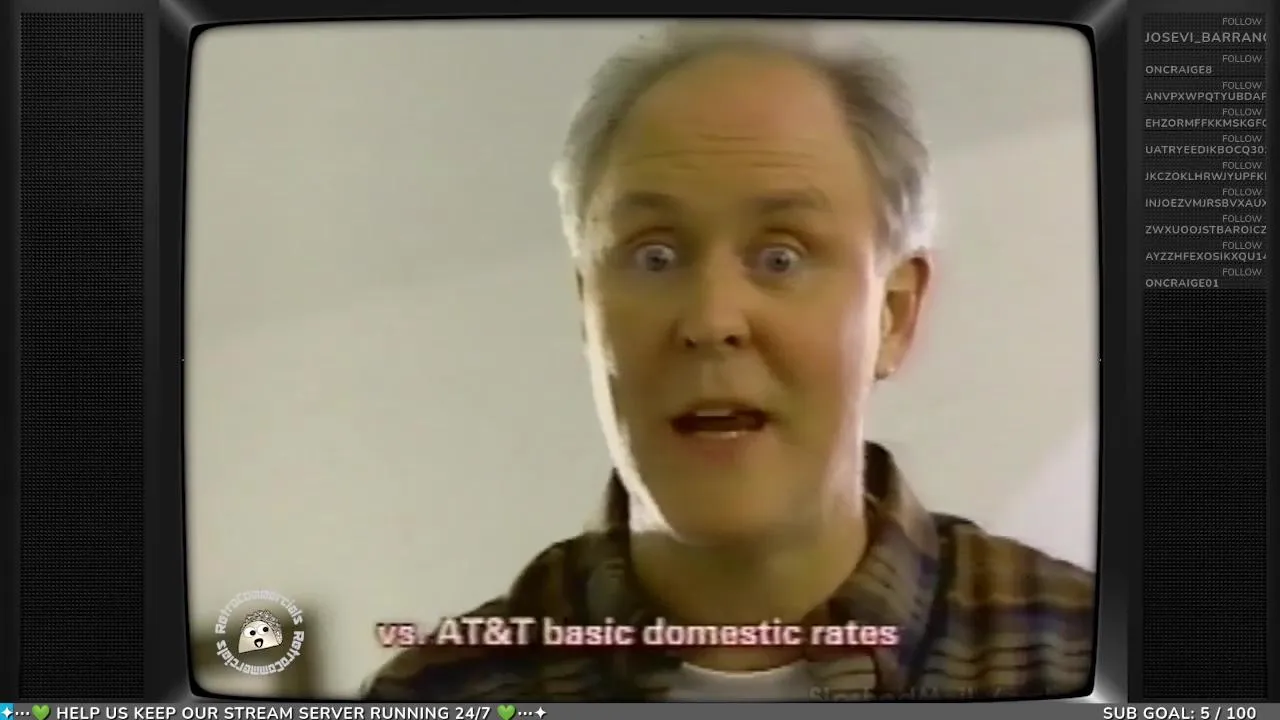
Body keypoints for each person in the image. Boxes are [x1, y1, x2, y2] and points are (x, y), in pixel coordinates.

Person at [363, 21, 1094, 702]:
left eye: (781, 257)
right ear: (588, 306)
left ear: (894, 315)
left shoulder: (1077, 651)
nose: (712, 321)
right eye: (654, 256)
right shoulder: (440, 692)